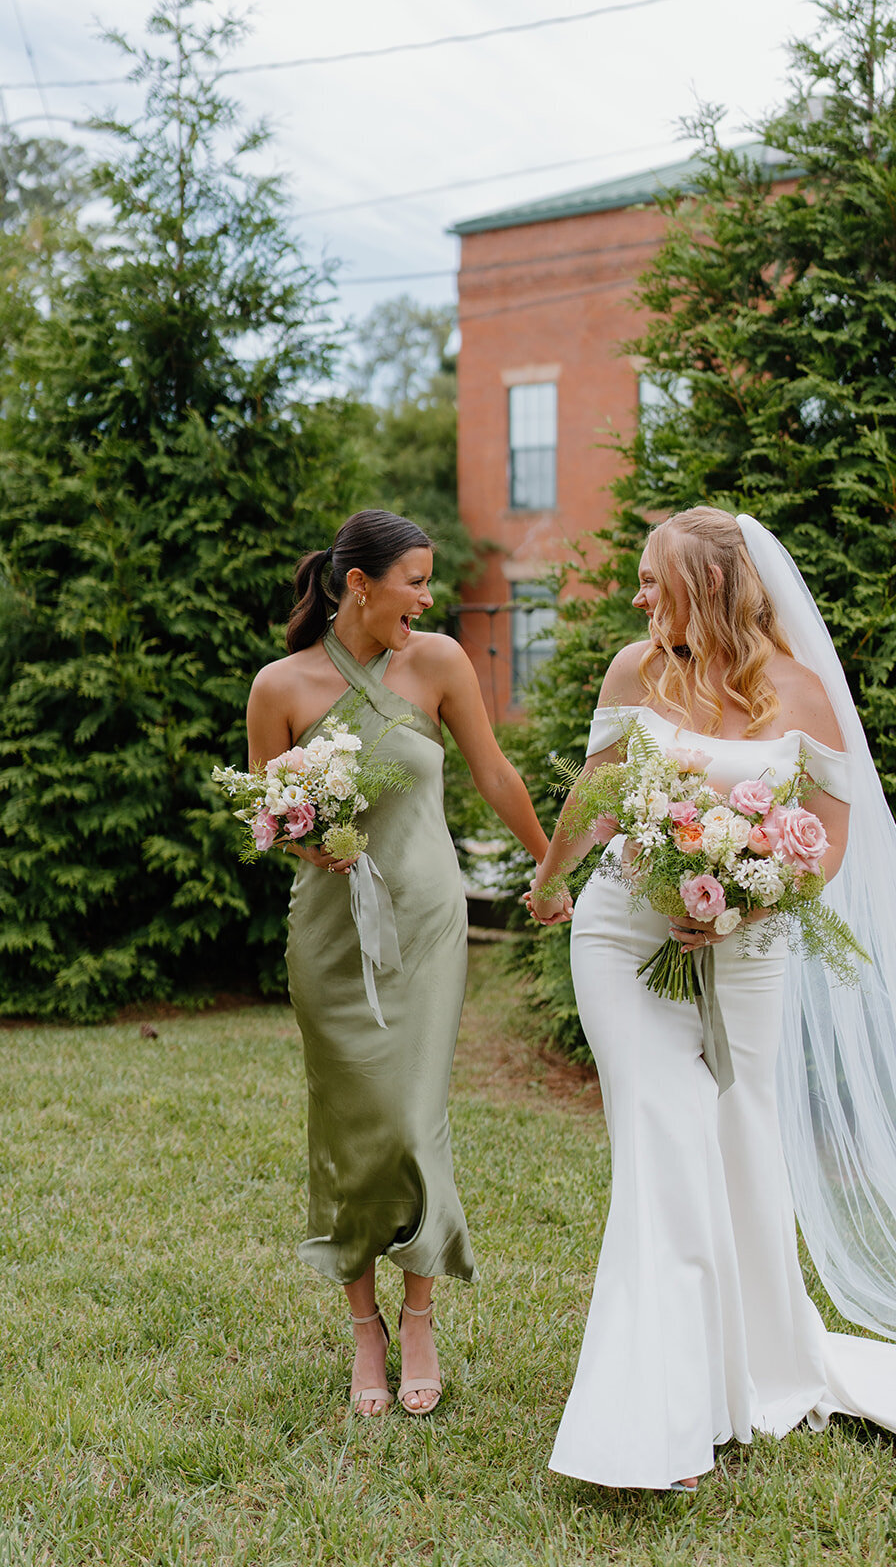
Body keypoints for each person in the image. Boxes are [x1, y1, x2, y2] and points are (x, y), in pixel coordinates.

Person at [527, 505, 896, 1492]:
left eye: (654, 580)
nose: (638, 597)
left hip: (752, 948)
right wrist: (552, 877)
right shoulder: (632, 669)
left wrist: (737, 903)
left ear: (709, 583)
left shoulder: (803, 692)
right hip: (620, 936)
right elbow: (598, 791)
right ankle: (653, 1422)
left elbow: (826, 842)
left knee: (741, 1148)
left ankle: (752, 1373)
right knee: (668, 1143)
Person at [247, 509, 548, 1418]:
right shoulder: (279, 686)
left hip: (424, 922)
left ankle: (416, 1314)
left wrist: (547, 864)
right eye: (414, 580)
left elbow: (493, 773)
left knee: (415, 1121)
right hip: (331, 934)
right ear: (358, 585)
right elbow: (268, 819)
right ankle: (363, 1327)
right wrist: (311, 848)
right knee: (352, 1130)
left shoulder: (443, 663)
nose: (428, 597)